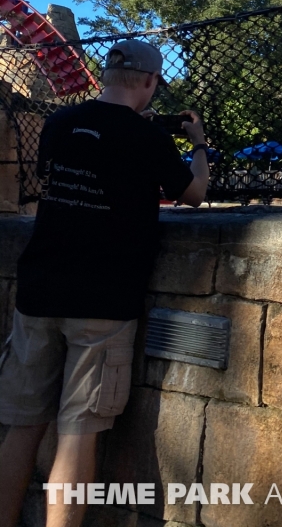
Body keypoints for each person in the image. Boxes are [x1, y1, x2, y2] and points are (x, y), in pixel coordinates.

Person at [0, 39, 209, 527]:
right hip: (103, 300)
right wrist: (197, 143)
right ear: (150, 82)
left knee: (21, 428)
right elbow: (195, 193)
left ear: (106, 76)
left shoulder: (56, 123)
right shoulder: (147, 139)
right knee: (78, 433)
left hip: (38, 292)